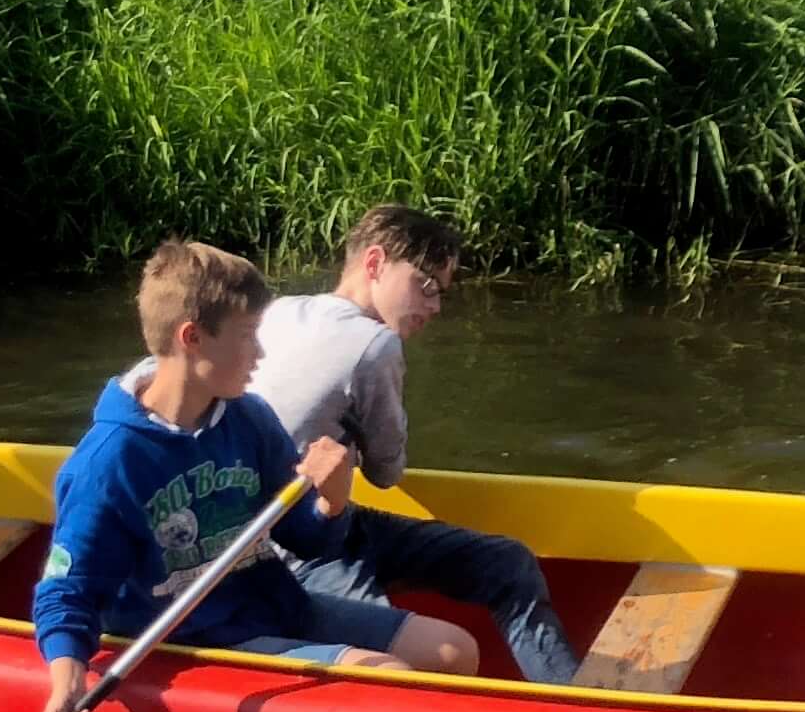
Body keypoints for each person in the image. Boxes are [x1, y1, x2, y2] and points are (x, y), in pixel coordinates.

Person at [30, 239, 478, 712]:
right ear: (192, 338)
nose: (260, 354)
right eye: (247, 337)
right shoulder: (109, 464)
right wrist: (66, 684)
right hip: (199, 641)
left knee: (453, 651)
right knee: (391, 680)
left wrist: (331, 502)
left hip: (274, 604)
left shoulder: (247, 417)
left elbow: (305, 538)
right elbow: (68, 594)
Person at [247, 204, 580, 686]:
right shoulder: (375, 344)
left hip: (326, 521)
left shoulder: (282, 310)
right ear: (375, 263)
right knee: (403, 663)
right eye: (425, 285)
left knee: (506, 561)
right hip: (302, 550)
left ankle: (571, 705)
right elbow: (386, 472)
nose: (434, 307)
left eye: (441, 294)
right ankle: (571, 708)